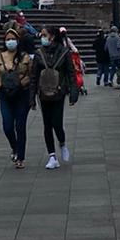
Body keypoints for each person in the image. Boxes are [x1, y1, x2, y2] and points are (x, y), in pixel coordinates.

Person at [31, 24, 76, 169]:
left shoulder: (64, 52)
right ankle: (52, 156)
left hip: (58, 92)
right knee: (47, 124)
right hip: (43, 93)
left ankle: (62, 143)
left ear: (52, 36)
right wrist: (31, 97)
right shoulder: (39, 53)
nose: (42, 37)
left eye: (44, 35)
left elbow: (71, 73)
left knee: (57, 122)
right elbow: (34, 76)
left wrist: (73, 91)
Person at [0, 24, 32, 169]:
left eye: (13, 39)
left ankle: (21, 156)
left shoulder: (24, 57)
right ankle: (14, 146)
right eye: (8, 39)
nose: (11, 41)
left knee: (20, 126)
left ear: (18, 41)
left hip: (21, 94)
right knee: (7, 125)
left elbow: (30, 75)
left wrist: (21, 84)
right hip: (5, 94)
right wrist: (1, 86)